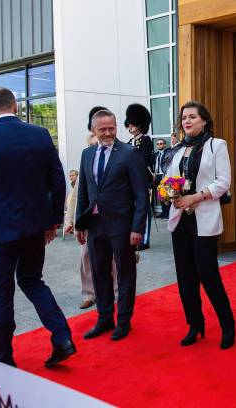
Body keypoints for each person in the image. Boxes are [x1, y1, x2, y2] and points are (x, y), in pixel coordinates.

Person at [0, 87, 75, 368]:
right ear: (16, 106)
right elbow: (57, 180)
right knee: (33, 280)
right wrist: (53, 221)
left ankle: (3, 360)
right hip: (35, 226)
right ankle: (62, 336)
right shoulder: (39, 135)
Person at [164, 100, 236, 349]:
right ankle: (195, 325)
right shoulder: (176, 149)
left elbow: (223, 181)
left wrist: (195, 197)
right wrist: (169, 194)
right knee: (185, 277)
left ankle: (228, 325)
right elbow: (168, 180)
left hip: (203, 217)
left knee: (207, 273)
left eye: (192, 117)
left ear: (204, 120)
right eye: (184, 117)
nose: (187, 121)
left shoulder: (217, 145)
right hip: (180, 219)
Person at [75, 109, 148, 341]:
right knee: (99, 273)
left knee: (126, 273)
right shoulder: (87, 154)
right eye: (102, 129)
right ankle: (105, 318)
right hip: (95, 225)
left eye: (112, 128)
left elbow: (141, 194)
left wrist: (137, 228)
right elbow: (84, 192)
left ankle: (124, 321)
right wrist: (79, 224)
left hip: (122, 226)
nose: (108, 133)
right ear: (93, 130)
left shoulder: (129, 153)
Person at [64, 106, 118, 310]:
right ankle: (89, 293)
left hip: (112, 218)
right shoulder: (87, 157)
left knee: (114, 257)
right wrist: (71, 221)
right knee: (86, 256)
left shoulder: (120, 155)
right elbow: (77, 195)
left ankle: (115, 291)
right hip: (89, 218)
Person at [125, 104, 154, 251]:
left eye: (132, 123)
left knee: (145, 211)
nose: (130, 126)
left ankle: (145, 240)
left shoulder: (145, 140)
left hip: (142, 180)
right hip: (130, 181)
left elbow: (145, 161)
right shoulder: (129, 142)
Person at [152, 138, 170, 219]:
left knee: (165, 195)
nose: (159, 145)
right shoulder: (155, 155)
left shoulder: (167, 153)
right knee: (160, 196)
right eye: (158, 144)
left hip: (164, 176)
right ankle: (163, 212)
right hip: (157, 176)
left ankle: (167, 214)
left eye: (161, 143)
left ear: (164, 145)